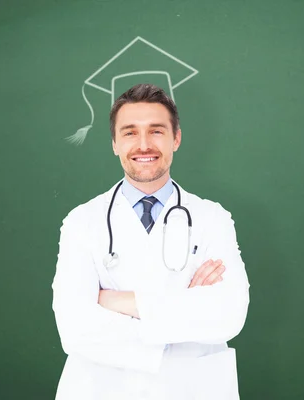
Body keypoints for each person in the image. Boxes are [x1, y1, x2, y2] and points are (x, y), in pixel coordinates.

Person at [51, 83, 250, 400]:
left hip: (191, 390)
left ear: (176, 138)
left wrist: (113, 301)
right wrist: (184, 308)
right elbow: (74, 328)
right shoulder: (81, 222)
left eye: (156, 131)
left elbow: (228, 315)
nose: (143, 144)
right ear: (115, 143)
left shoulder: (213, 218)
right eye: (130, 133)